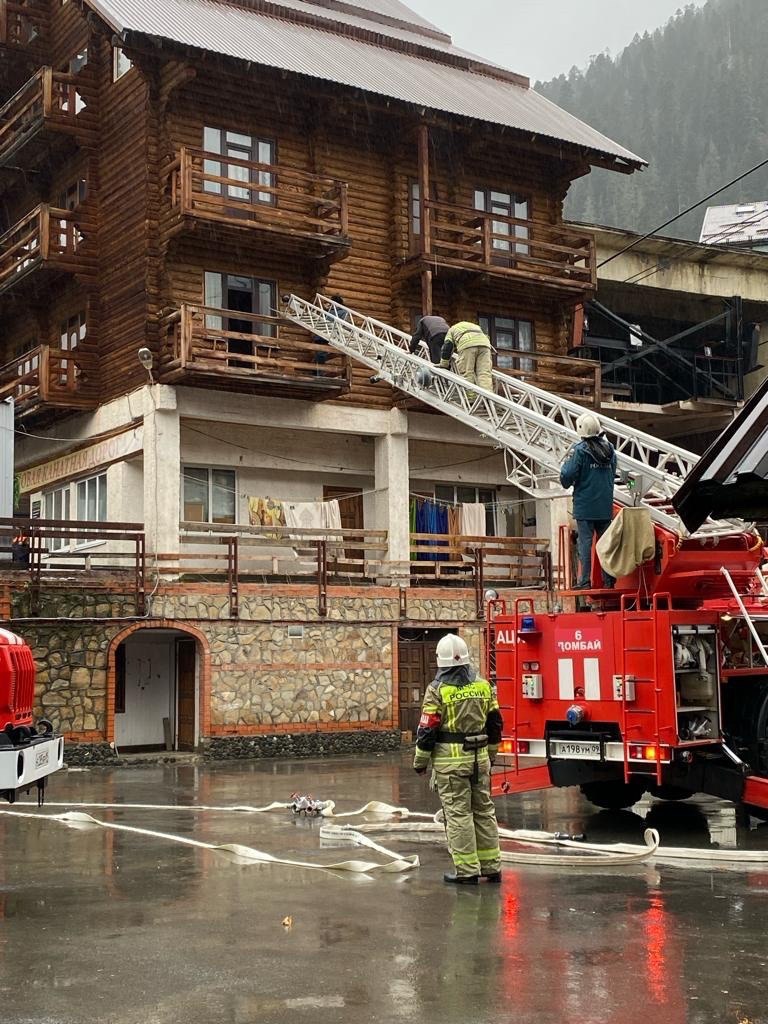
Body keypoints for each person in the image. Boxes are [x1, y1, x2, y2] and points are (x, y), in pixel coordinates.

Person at [413, 634, 503, 885]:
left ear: (440, 661)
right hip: (480, 760)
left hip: (450, 765)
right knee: (484, 811)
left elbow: (427, 729)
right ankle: (492, 867)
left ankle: (467, 870)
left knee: (458, 815)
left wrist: (420, 762)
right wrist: (491, 755)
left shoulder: (437, 690)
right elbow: (495, 724)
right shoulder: (484, 686)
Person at [560, 412, 617, 589]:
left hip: (585, 506)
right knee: (605, 545)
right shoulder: (610, 450)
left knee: (585, 544)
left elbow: (567, 474)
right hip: (604, 506)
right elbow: (613, 473)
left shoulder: (580, 450)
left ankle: (584, 581)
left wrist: (566, 479)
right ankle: (609, 581)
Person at [440, 321, 493, 392]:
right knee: (484, 373)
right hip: (485, 345)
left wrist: (444, 363)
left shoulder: (451, 330)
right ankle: (487, 396)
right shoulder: (475, 326)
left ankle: (470, 396)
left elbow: (448, 345)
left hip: (467, 345)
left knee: (467, 373)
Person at [313, 294, 348, 375]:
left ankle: (318, 373)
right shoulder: (330, 310)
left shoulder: (341, 311)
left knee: (321, 355)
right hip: (323, 335)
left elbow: (341, 324)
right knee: (319, 355)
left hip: (328, 335)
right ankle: (317, 372)